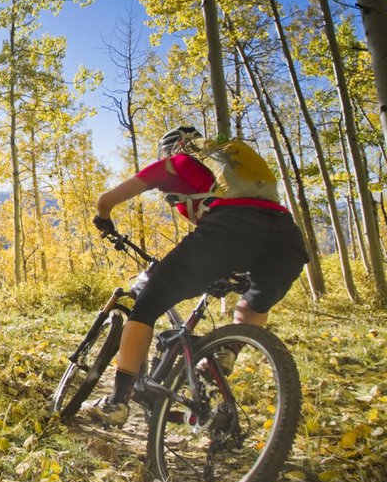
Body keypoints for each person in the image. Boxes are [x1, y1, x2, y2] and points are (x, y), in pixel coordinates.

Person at [85, 126, 308, 426]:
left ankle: (117, 403)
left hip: (230, 230)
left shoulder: (175, 164)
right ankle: (226, 352)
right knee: (252, 306)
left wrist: (103, 217)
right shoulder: (232, 173)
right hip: (287, 238)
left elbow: (107, 198)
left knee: (147, 306)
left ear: (172, 149)